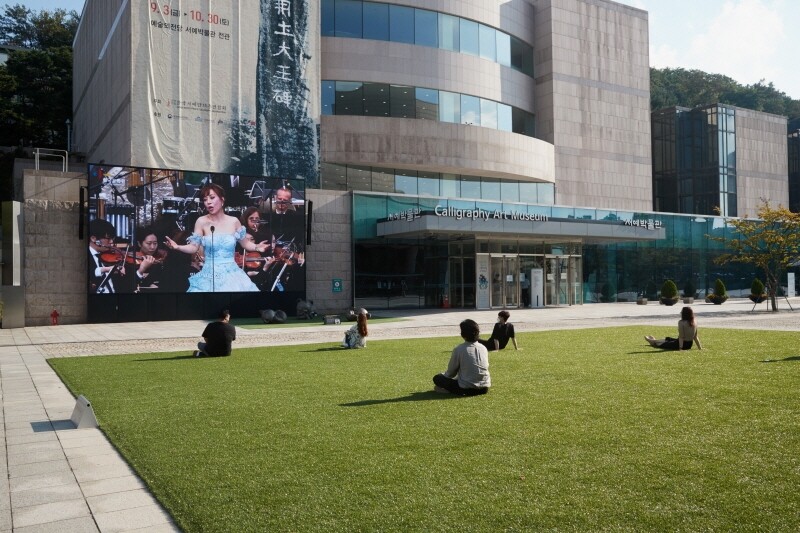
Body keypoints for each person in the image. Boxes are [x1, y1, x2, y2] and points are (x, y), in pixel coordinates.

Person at [164, 183, 269, 292]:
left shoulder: (234, 221)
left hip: (232, 273)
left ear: (222, 200)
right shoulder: (201, 221)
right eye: (205, 199)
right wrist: (178, 247)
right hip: (210, 273)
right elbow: (194, 247)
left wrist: (257, 247)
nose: (208, 202)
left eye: (212, 198)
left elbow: (245, 243)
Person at [433, 319, 491, 396]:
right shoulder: (483, 347)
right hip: (484, 388)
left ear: (463, 334)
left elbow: (451, 372)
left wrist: (443, 375)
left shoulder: (459, 349)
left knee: (437, 378)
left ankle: (451, 391)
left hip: (466, 388)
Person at [88, 218, 128, 293]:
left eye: (112, 238)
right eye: (108, 238)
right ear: (93, 238)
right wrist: (106, 269)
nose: (111, 241)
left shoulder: (109, 257)